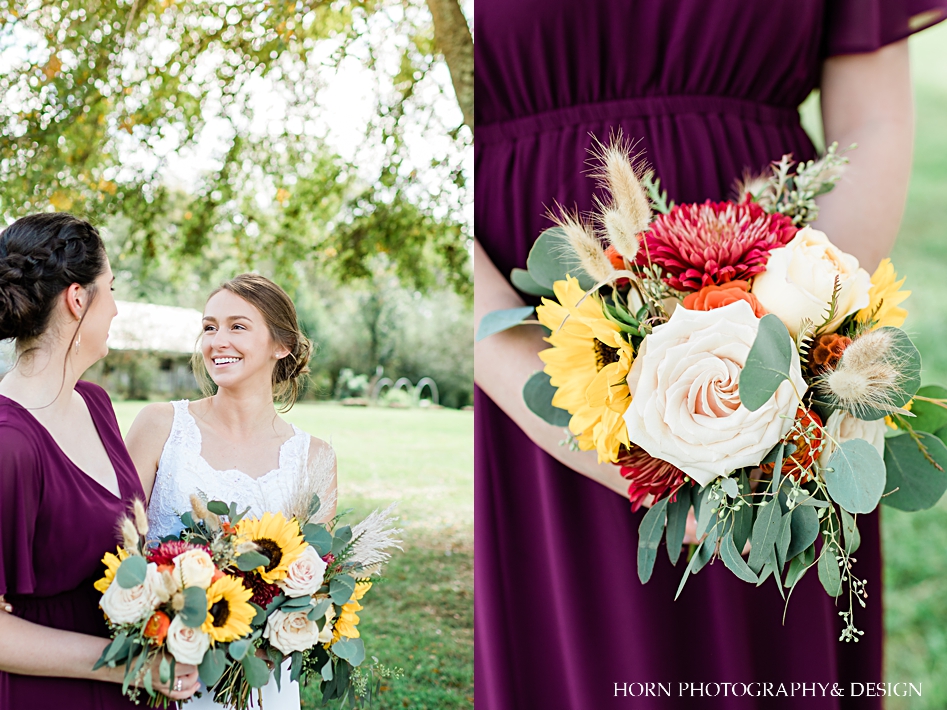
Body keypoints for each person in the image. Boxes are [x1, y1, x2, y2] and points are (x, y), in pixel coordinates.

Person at [474, 1, 947, 708]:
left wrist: (790, 351)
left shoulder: (790, 362)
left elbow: (871, 122)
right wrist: (561, 405)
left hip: (784, 358)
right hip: (534, 360)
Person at [0, 213, 200, 708]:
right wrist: (127, 663)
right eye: (108, 289)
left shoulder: (96, 403)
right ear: (76, 299)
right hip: (52, 694)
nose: (114, 309)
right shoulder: (10, 445)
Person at [126, 273, 338, 709]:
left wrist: (265, 640)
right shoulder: (159, 426)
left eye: (237, 327)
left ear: (281, 345)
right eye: (209, 327)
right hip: (168, 670)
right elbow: (115, 543)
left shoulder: (315, 456)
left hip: (264, 682)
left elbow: (318, 583)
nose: (217, 341)